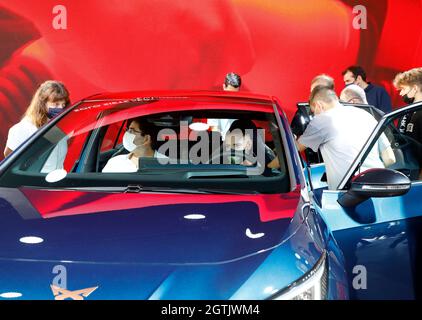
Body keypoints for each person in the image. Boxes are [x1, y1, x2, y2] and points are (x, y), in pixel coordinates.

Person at [296, 86, 387, 190]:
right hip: (381, 184)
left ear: (319, 105)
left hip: (351, 192)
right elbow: (389, 158)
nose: (314, 115)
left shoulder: (322, 120)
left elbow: (293, 150)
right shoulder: (365, 114)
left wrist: (272, 167)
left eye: (313, 111)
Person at [4, 80, 70, 158]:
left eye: (63, 105)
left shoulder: (60, 127)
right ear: (42, 104)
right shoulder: (23, 129)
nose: (60, 108)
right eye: (56, 104)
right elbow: (9, 158)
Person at [339, 84, 396, 167]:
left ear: (353, 102)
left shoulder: (355, 120)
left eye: (343, 103)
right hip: (389, 169)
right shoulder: (381, 115)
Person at [102, 117, 167, 173]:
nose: (127, 134)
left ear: (146, 138)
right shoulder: (115, 162)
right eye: (127, 130)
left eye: (132, 131)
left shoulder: (167, 164)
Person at [393, 67, 422, 178]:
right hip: (404, 168)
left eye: (403, 89)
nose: (401, 94)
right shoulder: (407, 110)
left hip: (416, 174)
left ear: (414, 88)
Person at [208, 72, 242, 138]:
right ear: (224, 87)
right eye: (229, 93)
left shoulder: (242, 107)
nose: (232, 97)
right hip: (221, 144)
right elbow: (214, 128)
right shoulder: (215, 105)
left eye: (235, 94)